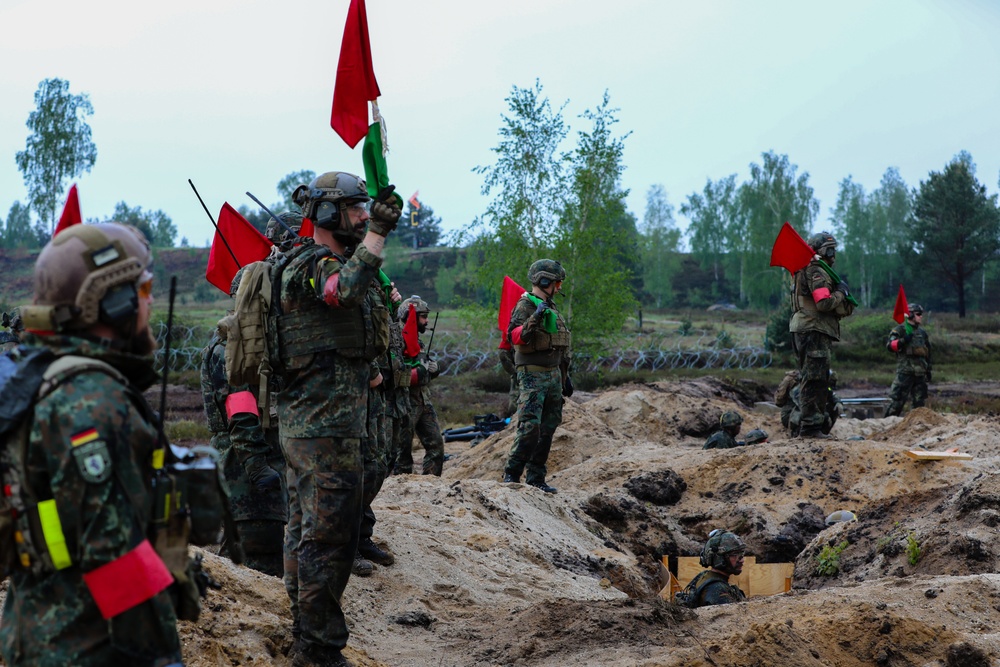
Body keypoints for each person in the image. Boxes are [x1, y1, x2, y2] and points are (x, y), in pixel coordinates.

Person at [0, 223, 183, 666]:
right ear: (113, 302)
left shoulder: (40, 375)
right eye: (144, 289)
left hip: (37, 627)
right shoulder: (93, 401)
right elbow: (115, 558)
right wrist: (162, 656)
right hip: (90, 643)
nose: (151, 300)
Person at [272, 171, 399, 667]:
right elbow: (341, 293)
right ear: (326, 213)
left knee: (307, 532)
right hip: (322, 429)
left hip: (321, 424)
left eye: (365, 210)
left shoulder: (319, 261)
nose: (364, 216)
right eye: (355, 209)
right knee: (326, 540)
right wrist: (378, 236)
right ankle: (318, 649)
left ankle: (306, 631)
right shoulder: (312, 264)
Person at [200, 267, 287, 577]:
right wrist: (258, 467)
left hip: (261, 465)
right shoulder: (231, 349)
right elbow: (241, 413)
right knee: (254, 559)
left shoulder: (257, 345)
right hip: (244, 472)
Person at [503, 259, 573, 494]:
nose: (560, 287)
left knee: (548, 427)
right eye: (557, 282)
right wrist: (535, 318)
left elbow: (560, 345)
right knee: (530, 427)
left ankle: (536, 477)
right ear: (544, 281)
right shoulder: (525, 306)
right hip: (532, 376)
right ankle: (512, 474)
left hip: (553, 376)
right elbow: (514, 336)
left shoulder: (551, 306)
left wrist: (566, 377)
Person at [355, 275, 402, 575]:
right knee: (358, 467)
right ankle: (346, 544)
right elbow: (353, 331)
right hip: (358, 385)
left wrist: (392, 302)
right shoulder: (347, 277)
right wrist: (372, 370)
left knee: (379, 462)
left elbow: (383, 330)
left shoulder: (373, 282)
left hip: (379, 389)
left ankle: (361, 537)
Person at [788, 232, 854, 439]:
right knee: (815, 379)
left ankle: (810, 426)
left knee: (815, 377)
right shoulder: (816, 271)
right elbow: (823, 303)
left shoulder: (810, 269)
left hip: (809, 328)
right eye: (830, 249)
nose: (833, 255)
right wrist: (841, 292)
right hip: (813, 328)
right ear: (820, 251)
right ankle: (810, 428)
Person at [395, 295, 445, 476]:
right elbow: (393, 373)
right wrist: (418, 373)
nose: (426, 321)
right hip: (405, 403)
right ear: (411, 316)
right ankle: (399, 491)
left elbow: (425, 366)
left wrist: (434, 368)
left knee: (436, 446)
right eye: (423, 316)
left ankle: (431, 485)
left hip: (423, 400)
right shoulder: (396, 341)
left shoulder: (417, 341)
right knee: (402, 452)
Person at [674, 530, 748, 608]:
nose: (742, 560)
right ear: (719, 558)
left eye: (742, 554)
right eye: (735, 555)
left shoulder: (707, 577)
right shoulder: (717, 589)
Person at [886, 304, 932, 417]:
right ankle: (888, 424)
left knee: (919, 405)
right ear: (910, 315)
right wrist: (903, 340)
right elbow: (890, 346)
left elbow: (927, 352)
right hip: (905, 372)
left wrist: (928, 369)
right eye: (918, 314)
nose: (921, 317)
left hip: (920, 373)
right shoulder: (900, 330)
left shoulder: (922, 333)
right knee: (897, 402)